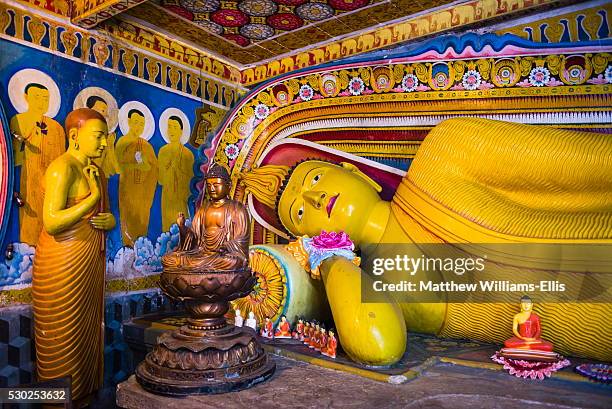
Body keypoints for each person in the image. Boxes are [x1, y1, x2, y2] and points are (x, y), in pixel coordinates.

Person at [239, 118, 612, 364]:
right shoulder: (380, 287)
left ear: (356, 174)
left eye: (316, 181)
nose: (315, 200)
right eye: (301, 214)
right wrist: (330, 260)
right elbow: (378, 346)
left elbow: (593, 163)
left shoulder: (445, 153)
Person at [32, 108, 115, 404]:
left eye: (105, 137)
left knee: (86, 335)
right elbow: (52, 221)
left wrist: (109, 220)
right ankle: (57, 401)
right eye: (99, 136)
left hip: (88, 262)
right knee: (61, 339)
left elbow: (101, 215)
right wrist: (92, 198)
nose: (104, 143)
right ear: (75, 136)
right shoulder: (62, 168)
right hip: (61, 264)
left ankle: (84, 396)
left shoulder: (97, 173)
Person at [161, 163, 249, 273]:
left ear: (228, 185)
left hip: (221, 256)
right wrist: (182, 227)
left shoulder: (237, 209)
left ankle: (198, 268)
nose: (212, 189)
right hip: (201, 254)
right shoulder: (204, 209)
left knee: (233, 262)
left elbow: (241, 240)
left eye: (216, 185)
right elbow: (194, 238)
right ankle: (197, 267)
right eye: (209, 186)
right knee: (168, 259)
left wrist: (225, 247)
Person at [10, 83, 66, 245]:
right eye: (37, 97)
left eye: (45, 98)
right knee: (29, 214)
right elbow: (14, 156)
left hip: (51, 182)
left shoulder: (57, 128)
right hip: (28, 177)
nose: (42, 102)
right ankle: (28, 249)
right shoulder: (19, 120)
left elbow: (61, 160)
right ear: (26, 98)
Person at [115, 109, 158, 246]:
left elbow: (153, 169)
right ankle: (127, 246)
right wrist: (135, 165)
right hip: (127, 189)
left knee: (142, 219)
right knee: (127, 218)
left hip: (143, 193)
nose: (138, 127)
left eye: (141, 124)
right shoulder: (122, 142)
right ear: (128, 122)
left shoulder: (146, 146)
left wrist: (144, 165)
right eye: (135, 122)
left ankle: (140, 249)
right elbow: (117, 166)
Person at [158, 115, 194, 231]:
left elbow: (191, 182)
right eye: (169, 127)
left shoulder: (187, 154)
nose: (171, 130)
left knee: (183, 228)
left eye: (174, 127)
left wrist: (178, 170)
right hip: (167, 197)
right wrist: (169, 168)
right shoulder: (163, 151)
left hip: (181, 198)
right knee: (167, 230)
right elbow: (160, 179)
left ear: (181, 131)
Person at [86, 95, 120, 177]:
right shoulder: (81, 132)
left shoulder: (109, 137)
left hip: (100, 176)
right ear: (89, 110)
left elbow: (111, 160)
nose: (105, 115)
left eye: (106, 112)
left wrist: (118, 171)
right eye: (102, 111)